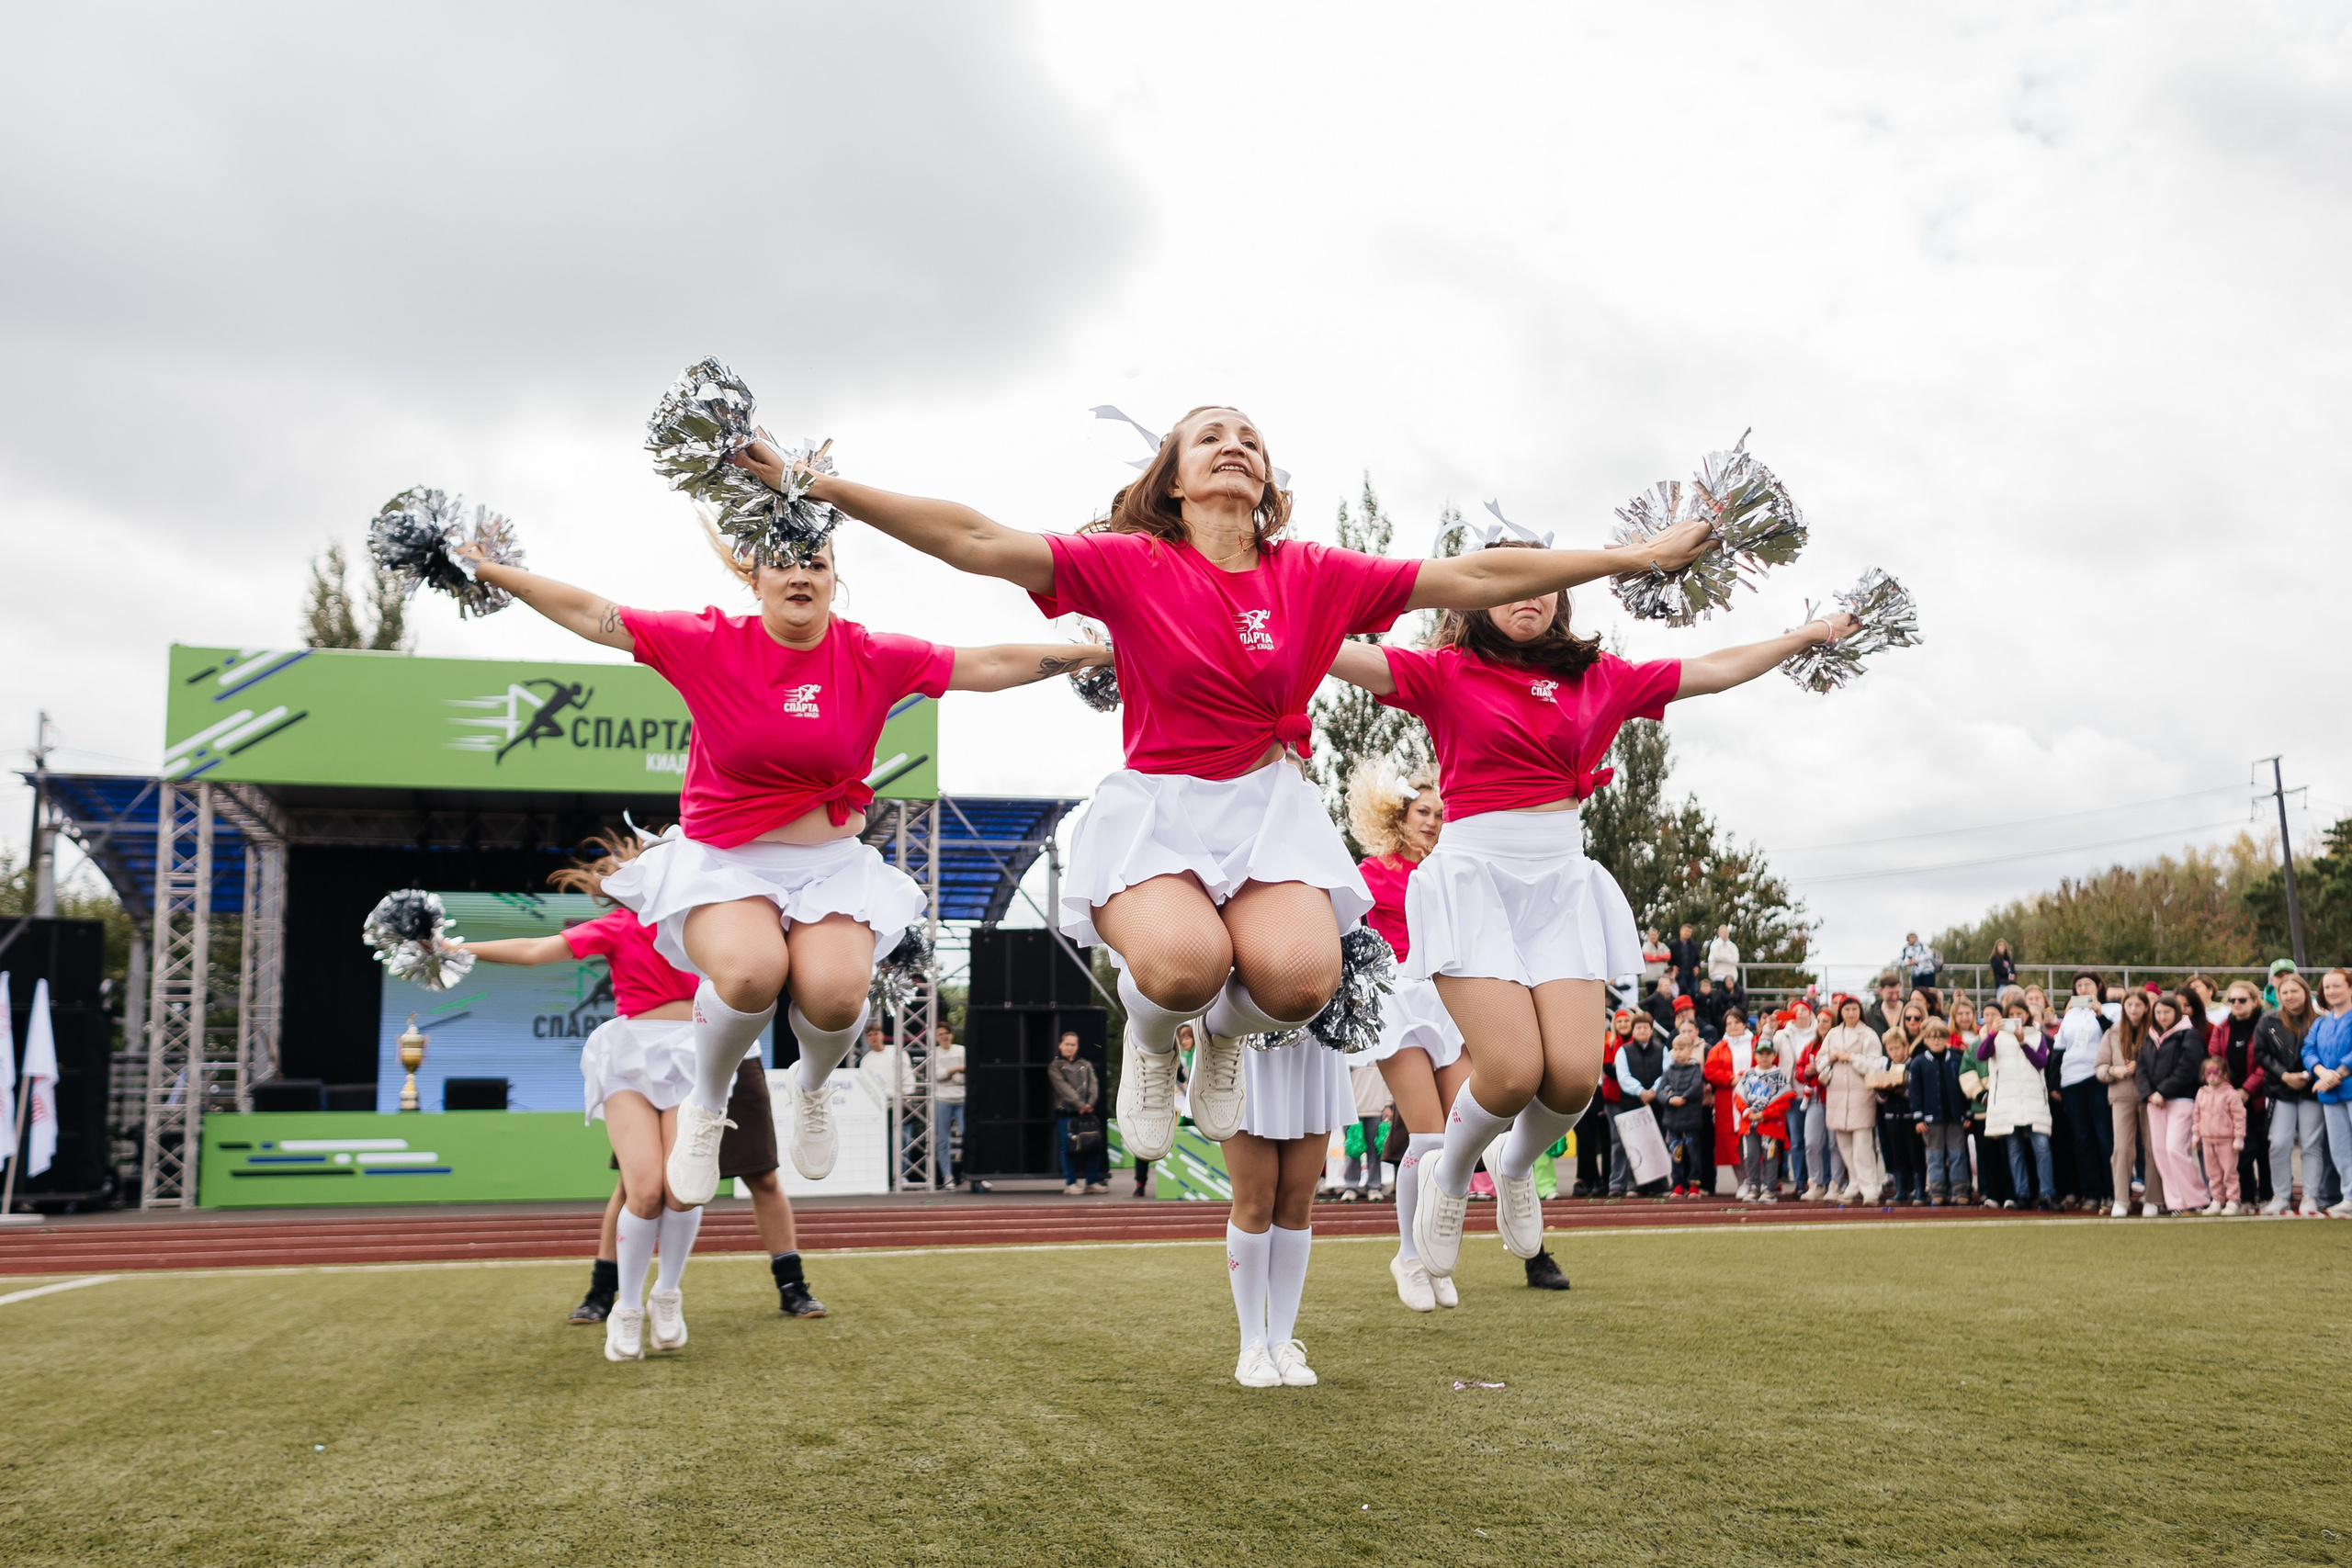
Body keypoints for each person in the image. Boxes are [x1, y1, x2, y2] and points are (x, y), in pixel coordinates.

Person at [775, 410, 1716, 1214]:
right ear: (1174, 481)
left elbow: (1467, 580)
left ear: (1264, 479)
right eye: (1209, 436)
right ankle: (1156, 1041)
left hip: (1268, 807)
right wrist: (826, 486)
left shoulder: (1310, 571)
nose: (1233, 444)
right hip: (1162, 807)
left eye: (1248, 437)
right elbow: (974, 540)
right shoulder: (1129, 565)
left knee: (1302, 982)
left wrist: (1633, 556)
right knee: (1184, 968)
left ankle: (1221, 1036)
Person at [458, 530, 1106, 1212]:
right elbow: (596, 615)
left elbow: (989, 662)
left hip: (828, 862)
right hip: (725, 861)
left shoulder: (870, 654)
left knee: (836, 996)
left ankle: (814, 1085)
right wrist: (489, 569)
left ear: (834, 578)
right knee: (749, 973)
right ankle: (706, 1106)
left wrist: (1092, 653)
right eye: (784, 564)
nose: (801, 575)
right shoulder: (708, 642)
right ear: (755, 578)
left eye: (817, 564)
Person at [1322, 538, 1852, 1282]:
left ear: (1563, 594)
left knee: (1571, 1081)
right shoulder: (1442, 672)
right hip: (1475, 882)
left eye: (1543, 584)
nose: (1527, 595)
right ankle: (1447, 1184)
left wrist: (1804, 634)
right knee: (1508, 1074)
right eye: (1510, 584)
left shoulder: (1600, 679)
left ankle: (1513, 1165)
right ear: (1478, 595)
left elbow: (1711, 670)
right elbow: (1333, 651)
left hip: (1560, 883)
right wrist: (1260, 607)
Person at [456, 832, 708, 1359]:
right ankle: (627, 1306)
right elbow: (532, 950)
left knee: (683, 1189)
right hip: (631, 1056)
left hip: (694, 1054)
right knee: (642, 1190)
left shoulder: (703, 923)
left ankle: (668, 1293)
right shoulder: (616, 927)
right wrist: (457, 949)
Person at [1353, 761, 1471, 1305]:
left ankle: (1433, 1250)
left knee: (1461, 1140)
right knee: (1426, 1138)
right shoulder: (1372, 872)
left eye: (1441, 814)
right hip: (1396, 1004)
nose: (1433, 821)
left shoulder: (1450, 871)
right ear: (1400, 815)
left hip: (1448, 1003)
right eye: (1424, 811)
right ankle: (1408, 1255)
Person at [2255, 972, 2325, 1214]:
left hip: (2311, 1091)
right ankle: (2281, 1196)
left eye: (2294, 991)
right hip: (2280, 1090)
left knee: (2311, 1144)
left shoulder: (2319, 1021)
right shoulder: (2268, 1021)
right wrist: (2284, 1075)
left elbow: (2322, 1052)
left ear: (2306, 992)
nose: (2289, 996)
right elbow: (2261, 1053)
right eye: (2284, 992)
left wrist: (2307, 1076)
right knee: (2279, 1143)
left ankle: (2310, 1196)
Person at [2139, 990, 2211, 1215]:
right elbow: (2141, 1069)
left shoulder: (2189, 1035)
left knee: (2175, 1149)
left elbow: (2188, 1068)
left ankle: (2196, 1198)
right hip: (2154, 1103)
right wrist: (2150, 1094)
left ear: (2177, 1013)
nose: (2162, 1016)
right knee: (2160, 1151)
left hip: (2181, 1100)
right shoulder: (2149, 1037)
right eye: (2158, 1012)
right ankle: (2176, 1202)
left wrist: (2163, 1091)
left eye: (2167, 1011)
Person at [1983, 997, 2057, 1211]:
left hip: (2033, 1097)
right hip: (2008, 1099)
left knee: (2042, 1146)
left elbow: (2041, 1062)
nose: (2016, 1018)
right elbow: (1982, 1054)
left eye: (2020, 1014)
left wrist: (2022, 1041)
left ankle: (2047, 1193)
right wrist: (1992, 1033)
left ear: (2027, 1015)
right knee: (2014, 1148)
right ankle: (2022, 1193)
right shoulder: (1998, 1037)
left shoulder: (2037, 1036)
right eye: (2012, 1014)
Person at [2096, 989, 2163, 1219]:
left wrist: (2143, 1069)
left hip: (2150, 1097)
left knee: (2153, 1148)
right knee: (2122, 1149)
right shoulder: (2112, 1032)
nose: (2133, 1009)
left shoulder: (2156, 1032)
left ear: (2146, 1008)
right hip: (2121, 1096)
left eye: (2138, 1005)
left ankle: (2153, 1199)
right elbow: (2100, 1068)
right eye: (2129, 1005)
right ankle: (2121, 1200)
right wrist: (2118, 1071)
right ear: (2123, 1007)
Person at [1817, 995, 1888, 1205]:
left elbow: (1876, 1064)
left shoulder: (1868, 1034)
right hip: (1837, 1096)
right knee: (1844, 1144)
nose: (1850, 1013)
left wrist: (1851, 1058)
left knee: (1863, 1145)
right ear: (1841, 1012)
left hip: (1861, 1095)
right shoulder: (1832, 1034)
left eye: (1854, 1009)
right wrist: (1830, 1058)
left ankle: (1870, 1188)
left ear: (1860, 1011)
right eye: (1846, 1009)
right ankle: (1855, 1183)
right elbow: (1820, 1061)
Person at [2053, 970, 2112, 1211]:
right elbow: (2059, 1049)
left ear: (2098, 986)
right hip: (2071, 1081)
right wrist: (2054, 1083)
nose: (2083, 989)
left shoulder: (2111, 1009)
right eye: (2078, 985)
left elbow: (2115, 1035)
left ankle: (2112, 1192)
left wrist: (2099, 1014)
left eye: (2088, 984)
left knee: (2104, 1137)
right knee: (2081, 1139)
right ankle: (2091, 1193)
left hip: (2098, 1078)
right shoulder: (2070, 1015)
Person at [2210, 980, 2270, 1210]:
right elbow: (2215, 1059)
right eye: (2232, 1000)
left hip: (2259, 1098)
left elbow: (2266, 1061)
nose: (2236, 1003)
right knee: (2240, 1150)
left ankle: (2266, 1196)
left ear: (2255, 1002)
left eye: (2241, 999)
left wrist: (2247, 1089)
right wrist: (2230, 1092)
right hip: (2231, 1099)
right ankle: (2245, 1197)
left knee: (2264, 1149)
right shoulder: (2222, 1027)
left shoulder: (2265, 1025)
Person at [1908, 1010, 1968, 1205]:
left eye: (1940, 1037)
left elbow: (1963, 1087)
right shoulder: (1919, 1063)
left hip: (1955, 1116)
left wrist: (1966, 1113)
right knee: (1934, 1156)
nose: (1936, 1041)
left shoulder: (1957, 1059)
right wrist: (1918, 1118)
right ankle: (1937, 1191)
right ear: (1925, 1040)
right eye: (1932, 1038)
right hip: (1931, 1119)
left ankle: (1960, 1191)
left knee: (1957, 1153)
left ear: (1946, 1039)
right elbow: (1915, 1092)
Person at [2305, 967, 2352, 1219]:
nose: (2331, 991)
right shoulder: (2321, 1022)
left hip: (2349, 1088)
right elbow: (2308, 1050)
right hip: (2329, 1094)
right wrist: (2322, 1071)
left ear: (2350, 988)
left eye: (2337, 986)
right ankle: (2349, 1196)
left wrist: (2339, 1073)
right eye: (2326, 987)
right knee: (2340, 1148)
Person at [1611, 1010, 1669, 1198]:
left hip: (1656, 1103)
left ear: (1651, 1030)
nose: (1642, 1030)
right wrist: (1640, 1092)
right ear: (1633, 1030)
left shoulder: (1662, 1049)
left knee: (1656, 1140)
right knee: (1634, 1143)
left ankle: (1660, 1183)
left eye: (1646, 1027)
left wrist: (1653, 1091)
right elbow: (1623, 1076)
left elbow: (1666, 1073)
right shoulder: (1623, 1051)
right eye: (1638, 1027)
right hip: (1631, 1103)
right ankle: (1636, 1184)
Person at [1733, 1040, 1794, 1203]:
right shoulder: (1749, 1075)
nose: (1765, 1057)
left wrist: (1765, 1114)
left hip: (1770, 1125)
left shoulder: (1779, 1075)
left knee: (1770, 1156)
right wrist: (1747, 1112)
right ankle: (1753, 1186)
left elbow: (1784, 1100)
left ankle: (1769, 1189)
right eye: (1761, 1053)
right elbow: (1739, 1097)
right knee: (1751, 1155)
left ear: (1774, 1055)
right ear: (1755, 1055)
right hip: (1749, 1124)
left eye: (1768, 1054)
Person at [1046, 1032, 1107, 1195]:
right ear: (1060, 1045)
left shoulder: (1085, 1064)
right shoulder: (1055, 1066)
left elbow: (1094, 1084)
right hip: (1066, 1113)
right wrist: (1079, 1104)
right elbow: (1062, 1088)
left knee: (1092, 1145)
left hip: (1086, 1114)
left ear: (1077, 1046)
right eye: (1067, 1044)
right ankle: (1070, 1183)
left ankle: (1092, 1181)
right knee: (1068, 1148)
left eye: (1073, 1045)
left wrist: (1090, 1104)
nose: (1070, 1048)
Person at [1876, 1014, 1923, 1204]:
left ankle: (1919, 1190)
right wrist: (1883, 1090)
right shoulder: (1885, 1065)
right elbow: (1879, 1097)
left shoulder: (1914, 1064)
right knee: (1898, 1154)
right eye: (1891, 1049)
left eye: (1898, 1048)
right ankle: (1901, 1189)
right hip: (1891, 1116)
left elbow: (1917, 1091)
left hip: (1910, 1116)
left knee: (1915, 1153)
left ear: (1905, 1046)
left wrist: (1901, 1089)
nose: (1895, 1052)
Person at [2193, 1058, 2248, 1216]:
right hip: (2207, 1140)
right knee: (2213, 1173)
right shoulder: (2201, 1093)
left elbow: (2239, 1117)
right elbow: (2196, 1116)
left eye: (2216, 1072)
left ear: (2224, 1074)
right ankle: (2216, 1199)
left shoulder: (2231, 1094)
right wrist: (2196, 1135)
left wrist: (2239, 1138)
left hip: (2227, 1141)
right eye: (2208, 1073)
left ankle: (2233, 1200)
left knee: (2229, 1172)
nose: (2212, 1076)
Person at [1658, 1034, 1711, 1197]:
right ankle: (1677, 1184)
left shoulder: (1695, 1070)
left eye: (1682, 1049)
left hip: (1691, 1118)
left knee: (1693, 1150)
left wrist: (1681, 1097)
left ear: (1690, 1050)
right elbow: (1660, 1090)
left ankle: (1694, 1184)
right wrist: (1670, 1098)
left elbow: (1696, 1089)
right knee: (1676, 1151)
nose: (1678, 1052)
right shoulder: (1668, 1071)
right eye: (1676, 1049)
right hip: (1673, 1119)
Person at [931, 1022, 967, 1190]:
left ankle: (971, 1173)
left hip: (962, 1099)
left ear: (951, 1034)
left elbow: (968, 1074)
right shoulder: (934, 1053)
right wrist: (958, 1069)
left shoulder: (961, 1050)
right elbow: (938, 1076)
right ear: (937, 1038)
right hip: (942, 1100)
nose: (944, 1036)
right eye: (940, 1034)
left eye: (946, 1033)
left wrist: (950, 1073)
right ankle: (947, 1177)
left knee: (968, 1136)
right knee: (943, 1140)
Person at [1862, 973, 1905, 1037]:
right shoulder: (1872, 1015)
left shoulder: (1909, 1009)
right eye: (1890, 993)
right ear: (1880, 991)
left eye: (1897, 992)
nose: (1894, 997)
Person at [1667, 923, 1702, 994]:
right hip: (1679, 973)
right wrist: (1673, 966)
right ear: (1681, 931)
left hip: (1691, 974)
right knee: (1682, 992)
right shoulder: (1673, 944)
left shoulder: (1693, 945)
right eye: (1686, 931)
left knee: (1694, 992)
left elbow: (1697, 958)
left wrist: (1697, 967)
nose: (1688, 933)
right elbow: (1669, 958)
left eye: (1690, 932)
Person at [1706, 924, 1741, 988]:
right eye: (1722, 932)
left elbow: (1736, 959)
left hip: (1731, 974)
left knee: (1737, 992)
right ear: (1719, 933)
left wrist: (1723, 958)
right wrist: (1729, 957)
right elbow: (1717, 956)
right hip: (1718, 974)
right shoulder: (1715, 944)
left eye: (1726, 932)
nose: (1724, 934)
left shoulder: (1733, 946)